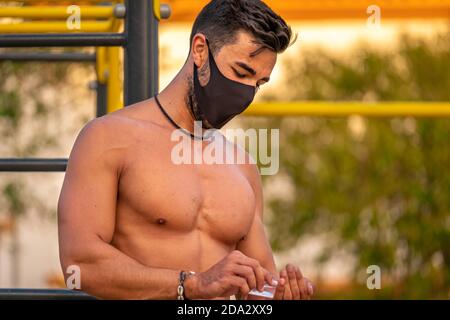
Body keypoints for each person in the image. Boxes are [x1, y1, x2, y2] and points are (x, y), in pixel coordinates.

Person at [58, 0, 314, 300]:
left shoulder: (242, 165)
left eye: (258, 83)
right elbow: (80, 264)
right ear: (200, 51)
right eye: (241, 71)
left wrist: (279, 297)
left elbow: (257, 290)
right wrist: (189, 285)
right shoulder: (108, 138)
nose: (246, 93)